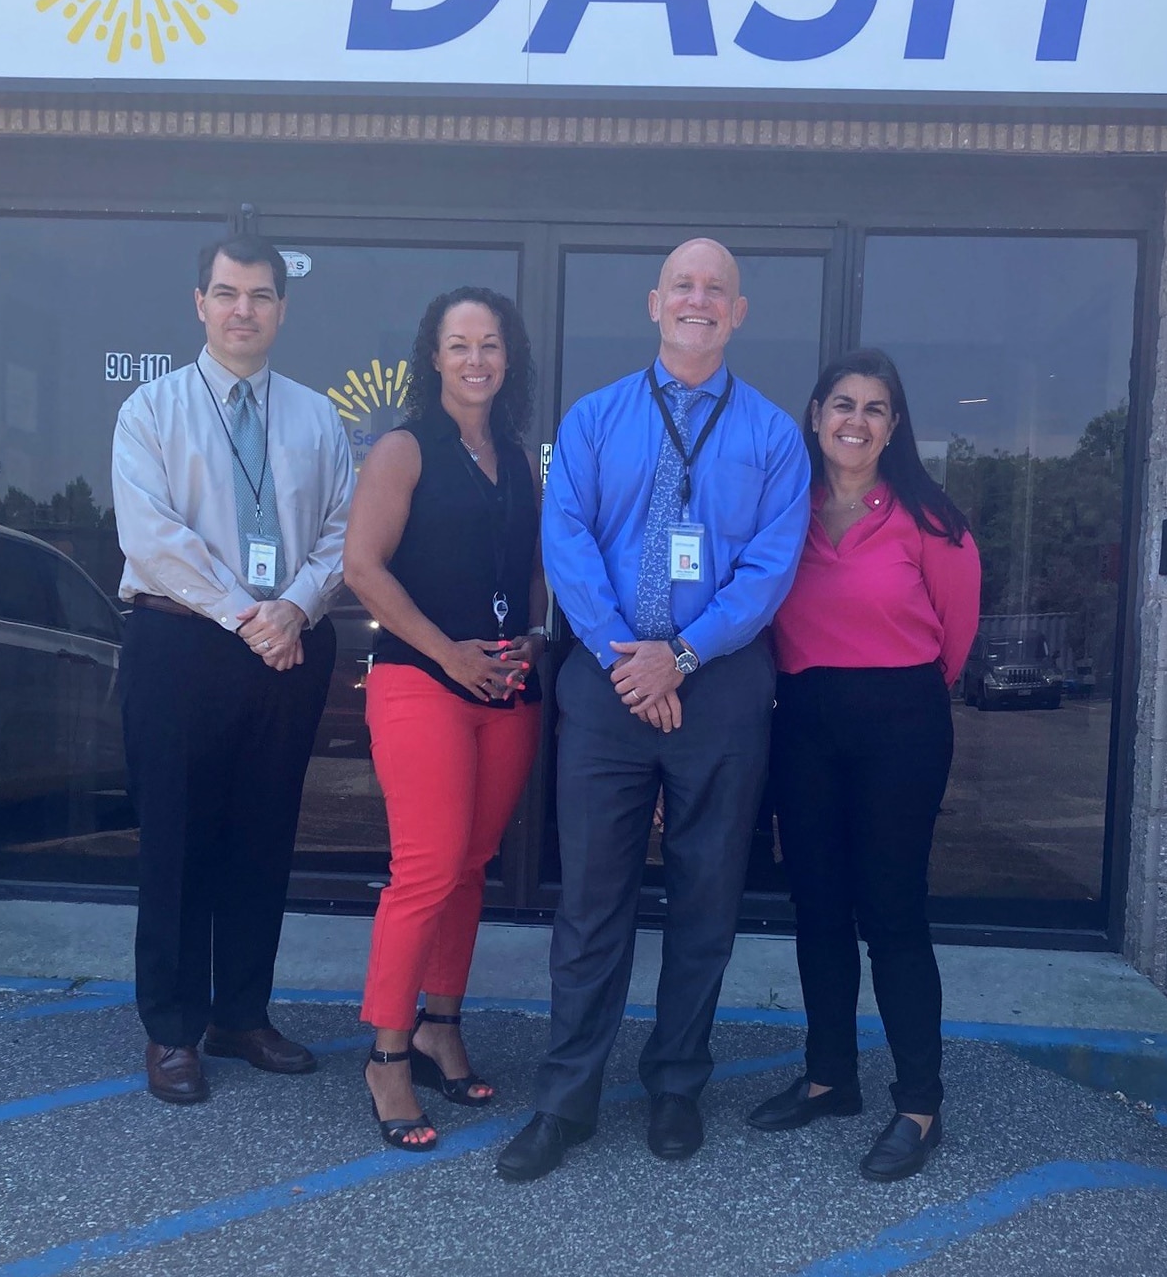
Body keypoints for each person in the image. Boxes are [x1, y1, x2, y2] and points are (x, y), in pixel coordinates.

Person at [496, 238, 811, 1182]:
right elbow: (568, 539)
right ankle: (565, 1100)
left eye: (717, 289)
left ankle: (676, 1084)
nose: (699, 300)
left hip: (716, 685)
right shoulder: (594, 421)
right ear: (653, 302)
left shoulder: (770, 436)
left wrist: (678, 656)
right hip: (604, 678)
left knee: (705, 896)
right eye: (684, 285)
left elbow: (768, 568)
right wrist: (628, 661)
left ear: (739, 313)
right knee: (591, 903)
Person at [112, 235, 352, 1105]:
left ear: (282, 311)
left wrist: (292, 606)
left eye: (259, 295)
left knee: (262, 836)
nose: (242, 309)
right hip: (181, 644)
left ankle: (241, 1014)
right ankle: (172, 1029)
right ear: (199, 303)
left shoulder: (316, 417)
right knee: (176, 840)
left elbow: (341, 531)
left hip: (289, 643)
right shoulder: (151, 410)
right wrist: (251, 616)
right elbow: (154, 539)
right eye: (226, 293)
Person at [747, 347, 980, 1182]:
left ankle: (919, 1104)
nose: (855, 420)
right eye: (841, 404)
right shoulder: (783, 511)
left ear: (893, 427)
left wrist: (892, 697)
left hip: (900, 725)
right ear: (814, 416)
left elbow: (952, 640)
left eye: (874, 408)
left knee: (890, 913)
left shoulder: (932, 521)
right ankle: (828, 1079)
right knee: (816, 909)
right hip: (805, 722)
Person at [342, 286, 545, 1153]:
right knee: (425, 867)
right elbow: (362, 567)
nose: (476, 360)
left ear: (508, 358)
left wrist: (533, 637)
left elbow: (530, 569)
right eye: (459, 344)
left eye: (490, 345)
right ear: (434, 355)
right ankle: (387, 1051)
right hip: (422, 680)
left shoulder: (514, 454)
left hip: (506, 686)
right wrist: (446, 652)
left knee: (471, 866)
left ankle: (440, 1025)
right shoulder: (403, 447)